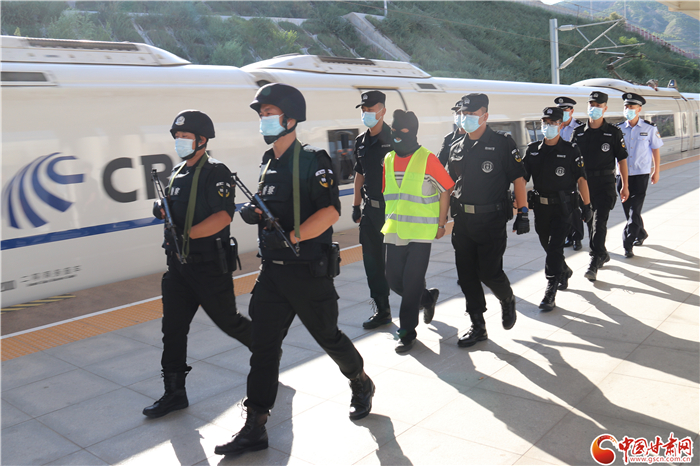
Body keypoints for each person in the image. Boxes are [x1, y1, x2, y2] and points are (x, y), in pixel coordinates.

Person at [215, 83, 374, 457]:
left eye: (269, 113)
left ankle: (360, 380)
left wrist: (291, 235)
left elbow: (330, 212)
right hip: (272, 273)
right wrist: (255, 213)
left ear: (290, 118)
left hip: (307, 271)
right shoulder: (267, 162)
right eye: (261, 115)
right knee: (263, 347)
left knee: (328, 337)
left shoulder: (313, 160)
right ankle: (255, 424)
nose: (263, 120)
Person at [143, 110, 252, 419]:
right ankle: (174, 393)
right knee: (173, 329)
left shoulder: (216, 172)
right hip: (178, 267)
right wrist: (161, 209)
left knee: (229, 321)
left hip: (208, 266)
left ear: (202, 140)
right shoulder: (177, 173)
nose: (179, 141)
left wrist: (187, 234)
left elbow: (224, 216)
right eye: (177, 137)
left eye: (185, 137)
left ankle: (267, 352)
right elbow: (173, 208)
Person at [446, 93, 529, 348]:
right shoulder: (456, 146)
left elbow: (518, 179)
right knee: (467, 275)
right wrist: (440, 220)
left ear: (485, 116)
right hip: (463, 221)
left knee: (489, 272)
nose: (466, 118)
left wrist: (523, 212)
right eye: (463, 114)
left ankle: (507, 298)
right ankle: (478, 326)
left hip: (491, 219)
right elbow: (448, 185)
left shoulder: (502, 143)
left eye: (472, 114)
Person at [381, 109, 454, 353]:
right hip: (394, 228)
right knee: (394, 280)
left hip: (422, 231)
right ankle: (427, 298)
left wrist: (441, 223)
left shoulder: (427, 158)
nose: (396, 135)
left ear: (412, 132)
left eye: (402, 131)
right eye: (393, 130)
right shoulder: (388, 159)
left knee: (411, 282)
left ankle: (407, 333)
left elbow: (446, 189)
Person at [523, 107, 592, 311]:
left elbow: (581, 179)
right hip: (541, 208)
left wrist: (587, 206)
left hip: (564, 209)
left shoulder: (571, 150)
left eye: (553, 123)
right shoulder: (533, 150)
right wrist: (519, 206)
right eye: (545, 122)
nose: (548, 126)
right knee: (547, 245)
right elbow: (521, 179)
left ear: (560, 125)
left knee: (555, 248)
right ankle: (564, 270)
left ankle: (551, 290)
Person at [572, 91, 629, 282]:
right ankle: (602, 252)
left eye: (598, 105)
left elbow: (622, 160)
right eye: (591, 104)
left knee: (599, 222)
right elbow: (572, 161)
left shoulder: (613, 132)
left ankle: (594, 260)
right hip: (585, 186)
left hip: (605, 184)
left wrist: (625, 185)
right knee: (590, 221)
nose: (594, 108)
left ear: (605, 108)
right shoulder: (578, 132)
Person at [352, 91, 394, 329]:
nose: (366, 113)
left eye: (370, 109)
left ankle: (423, 297)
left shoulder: (396, 140)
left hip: (394, 211)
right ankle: (382, 310)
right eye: (363, 109)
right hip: (371, 211)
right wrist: (356, 205)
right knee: (373, 263)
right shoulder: (361, 141)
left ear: (383, 111)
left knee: (399, 264)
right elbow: (360, 174)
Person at [616, 92, 663, 258]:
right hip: (621, 176)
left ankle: (627, 244)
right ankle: (641, 233)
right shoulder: (618, 129)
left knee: (634, 210)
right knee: (629, 210)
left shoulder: (649, 128)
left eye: (631, 106)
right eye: (626, 106)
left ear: (639, 109)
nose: (628, 109)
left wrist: (656, 171)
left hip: (640, 175)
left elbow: (655, 150)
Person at [555, 96, 586, 251]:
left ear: (571, 111)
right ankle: (568, 235)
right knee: (563, 206)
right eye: (560, 110)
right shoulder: (555, 126)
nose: (563, 112)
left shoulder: (580, 128)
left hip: (574, 172)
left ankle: (577, 237)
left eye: (565, 110)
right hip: (558, 173)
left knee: (574, 207)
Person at [437, 99, 467, 166]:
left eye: (462, 112)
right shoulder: (449, 138)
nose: (459, 115)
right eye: (457, 113)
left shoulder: (475, 137)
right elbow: (439, 163)